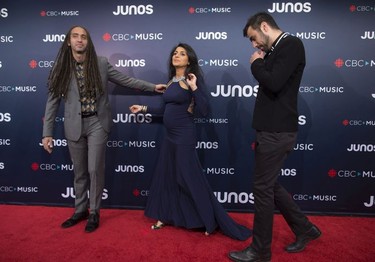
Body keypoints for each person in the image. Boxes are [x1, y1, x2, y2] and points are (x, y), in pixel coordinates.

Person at [42, 25, 165, 233]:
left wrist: (153, 87)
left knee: (94, 170)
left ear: (88, 42)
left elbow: (127, 80)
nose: (80, 40)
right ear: (68, 41)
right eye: (75, 36)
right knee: (79, 172)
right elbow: (52, 101)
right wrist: (47, 132)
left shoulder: (100, 63)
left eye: (83, 37)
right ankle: (80, 209)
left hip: (97, 123)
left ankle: (94, 212)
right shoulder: (60, 67)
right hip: (73, 125)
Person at [130, 43, 252, 240]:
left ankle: (209, 221)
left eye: (182, 53)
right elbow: (165, 111)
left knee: (189, 178)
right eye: (175, 53)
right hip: (169, 136)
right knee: (168, 176)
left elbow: (203, 110)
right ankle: (165, 216)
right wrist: (143, 109)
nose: (177, 55)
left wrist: (194, 87)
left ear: (189, 60)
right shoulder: (170, 82)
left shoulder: (191, 80)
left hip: (184, 136)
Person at [228, 12, 321, 261]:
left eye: (254, 37)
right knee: (269, 185)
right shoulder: (276, 49)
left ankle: (260, 251)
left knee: (262, 187)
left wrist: (256, 63)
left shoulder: (291, 44)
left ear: (265, 27)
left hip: (277, 132)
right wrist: (262, 60)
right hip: (270, 130)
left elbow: (274, 82)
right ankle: (305, 228)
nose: (254, 44)